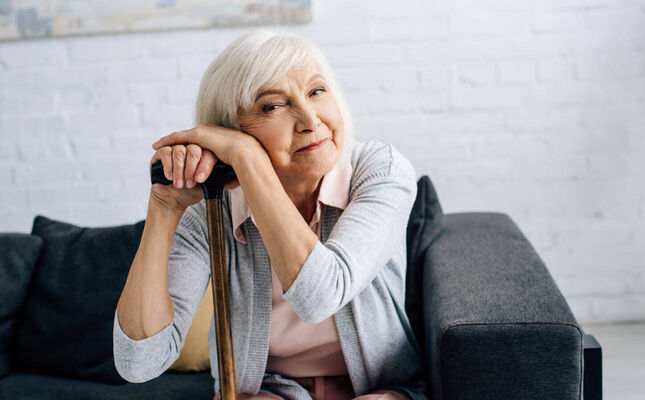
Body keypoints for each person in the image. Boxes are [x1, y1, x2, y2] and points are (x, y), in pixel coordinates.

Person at [113, 28, 427, 400]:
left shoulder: (381, 171)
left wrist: (246, 158)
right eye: (272, 106)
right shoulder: (212, 209)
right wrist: (164, 209)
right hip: (268, 392)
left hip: (382, 389)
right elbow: (138, 364)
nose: (311, 120)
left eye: (316, 91)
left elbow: (320, 296)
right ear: (230, 130)